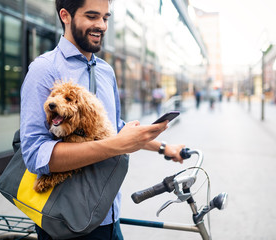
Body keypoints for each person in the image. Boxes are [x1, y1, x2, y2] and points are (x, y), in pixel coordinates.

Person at [20, 0, 185, 239]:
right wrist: (115, 146)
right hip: (66, 221)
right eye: (92, 16)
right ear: (65, 16)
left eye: (105, 18)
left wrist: (163, 147)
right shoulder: (44, 69)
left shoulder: (106, 70)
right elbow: (36, 155)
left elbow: (113, 130)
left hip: (109, 215)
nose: (101, 25)